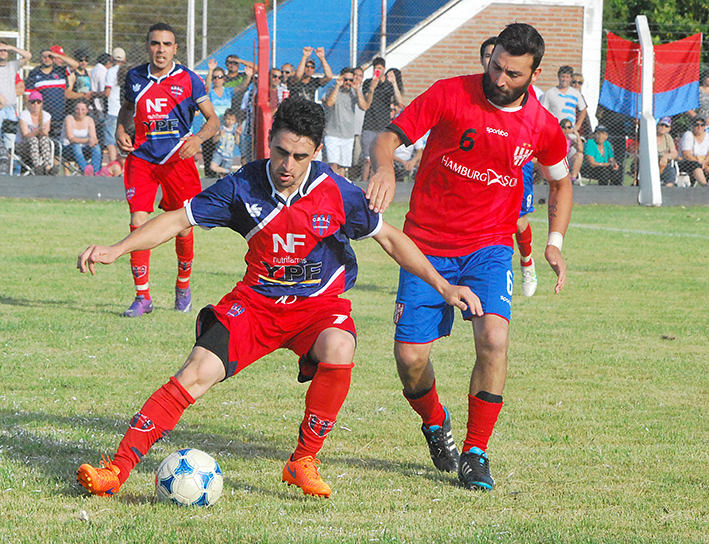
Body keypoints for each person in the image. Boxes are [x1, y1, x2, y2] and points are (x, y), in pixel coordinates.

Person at [75, 97, 479, 500]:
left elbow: (390, 238)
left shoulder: (335, 191)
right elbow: (179, 219)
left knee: (340, 344)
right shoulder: (241, 186)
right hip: (256, 305)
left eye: (299, 156)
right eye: (281, 152)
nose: (287, 165)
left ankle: (303, 460)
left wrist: (443, 286)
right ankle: (116, 469)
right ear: (269, 141)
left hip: (318, 308)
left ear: (316, 152)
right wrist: (118, 248)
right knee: (195, 372)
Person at [367, 22, 572, 491]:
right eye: (495, 65)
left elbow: (560, 181)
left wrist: (554, 242)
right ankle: (436, 423)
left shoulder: (541, 125)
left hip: (489, 247)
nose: (499, 79)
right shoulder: (449, 94)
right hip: (425, 246)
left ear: (533, 74)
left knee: (494, 339)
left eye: (512, 74)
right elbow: (387, 139)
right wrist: (383, 169)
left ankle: (476, 452)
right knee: (411, 358)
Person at [115, 22, 219, 317]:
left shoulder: (189, 79)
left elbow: (213, 121)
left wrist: (197, 139)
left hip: (178, 160)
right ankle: (142, 296)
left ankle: (183, 287)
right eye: (155, 43)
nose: (160, 49)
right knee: (138, 221)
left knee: (184, 225)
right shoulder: (134, 77)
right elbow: (126, 108)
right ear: (148, 46)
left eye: (166, 44)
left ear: (176, 48)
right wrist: (119, 129)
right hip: (142, 158)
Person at [480, 36, 538, 297]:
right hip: (478, 165)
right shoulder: (471, 92)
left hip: (516, 164)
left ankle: (526, 262)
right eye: (489, 58)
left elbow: (535, 125)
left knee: (517, 219)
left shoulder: (520, 91)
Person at [361, 57, 404, 181]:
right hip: (369, 124)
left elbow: (400, 102)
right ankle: (363, 184)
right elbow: (366, 103)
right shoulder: (368, 83)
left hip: (383, 125)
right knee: (367, 160)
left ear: (384, 69)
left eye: (379, 68)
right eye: (375, 68)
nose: (377, 70)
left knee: (379, 159)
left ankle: (375, 183)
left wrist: (394, 83)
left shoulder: (388, 85)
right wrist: (372, 88)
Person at [25, 46, 79, 141]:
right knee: (43, 140)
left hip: (60, 114)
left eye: (49, 57)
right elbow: (27, 96)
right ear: (40, 58)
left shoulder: (60, 71)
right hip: (42, 116)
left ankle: (58, 155)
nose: (47, 59)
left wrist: (56, 55)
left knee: (59, 142)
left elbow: (75, 65)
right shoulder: (34, 73)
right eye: (44, 57)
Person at [322, 67, 368, 176]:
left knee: (343, 166)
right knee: (333, 164)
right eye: (345, 79)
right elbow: (329, 103)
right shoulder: (332, 89)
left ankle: (341, 188)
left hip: (348, 134)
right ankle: (332, 186)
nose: (348, 82)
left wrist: (357, 90)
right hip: (332, 132)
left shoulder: (354, 92)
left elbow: (364, 106)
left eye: (350, 80)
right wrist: (338, 86)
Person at [0, 41, 32, 167]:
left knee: (10, 142)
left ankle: (11, 171)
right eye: (0, 50)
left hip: (10, 110)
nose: (2, 52)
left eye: (4, 50)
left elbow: (28, 56)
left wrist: (11, 47)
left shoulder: (12, 66)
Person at [540, 65, 587, 133]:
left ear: (571, 79)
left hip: (569, 131)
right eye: (563, 76)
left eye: (567, 77)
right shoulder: (549, 93)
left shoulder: (575, 93)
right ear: (559, 77)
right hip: (553, 130)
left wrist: (578, 125)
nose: (564, 79)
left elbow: (583, 109)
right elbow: (542, 111)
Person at [16, 90, 53, 174]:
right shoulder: (24, 115)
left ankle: (48, 167)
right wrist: (38, 130)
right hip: (23, 145)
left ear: (41, 103)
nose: (35, 104)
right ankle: (37, 166)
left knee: (44, 139)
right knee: (33, 139)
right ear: (28, 103)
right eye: (33, 102)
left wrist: (40, 132)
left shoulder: (46, 116)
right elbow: (26, 135)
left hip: (39, 145)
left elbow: (46, 133)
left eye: (38, 102)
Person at [62, 99, 102, 175]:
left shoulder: (89, 120)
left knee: (96, 147)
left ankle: (96, 172)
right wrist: (88, 140)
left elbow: (93, 137)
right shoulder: (69, 118)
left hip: (85, 148)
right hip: (68, 149)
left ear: (87, 110)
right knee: (76, 146)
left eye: (83, 109)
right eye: (77, 109)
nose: (80, 112)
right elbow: (71, 139)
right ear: (74, 109)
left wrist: (93, 141)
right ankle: (86, 170)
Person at [104, 47, 127, 163]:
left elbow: (107, 92)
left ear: (112, 58)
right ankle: (123, 167)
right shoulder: (128, 71)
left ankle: (113, 164)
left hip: (113, 110)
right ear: (125, 59)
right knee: (124, 139)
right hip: (126, 110)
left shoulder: (111, 71)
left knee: (111, 140)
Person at [678, 116, 709, 186]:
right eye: (697, 125)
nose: (699, 127)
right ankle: (705, 186)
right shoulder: (688, 135)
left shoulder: (707, 136)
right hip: (687, 162)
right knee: (695, 165)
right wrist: (700, 163)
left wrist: (705, 163)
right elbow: (687, 155)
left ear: (705, 127)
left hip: (703, 161)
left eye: (702, 125)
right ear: (692, 126)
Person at [209, 108, 240, 175]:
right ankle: (228, 171)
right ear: (224, 118)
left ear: (235, 121)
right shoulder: (221, 128)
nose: (230, 121)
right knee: (213, 167)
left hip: (228, 155)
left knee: (224, 176)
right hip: (219, 153)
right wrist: (219, 134)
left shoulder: (234, 131)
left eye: (232, 120)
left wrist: (237, 135)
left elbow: (237, 143)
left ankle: (226, 172)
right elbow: (214, 140)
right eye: (228, 119)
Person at [65, 49, 93, 116]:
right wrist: (82, 95)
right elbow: (67, 94)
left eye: (86, 60)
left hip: (85, 107)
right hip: (73, 107)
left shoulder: (88, 73)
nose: (84, 62)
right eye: (81, 60)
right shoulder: (72, 75)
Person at [560, 119, 584, 184]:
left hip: (566, 161)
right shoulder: (556, 138)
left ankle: (573, 178)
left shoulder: (570, 139)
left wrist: (577, 135)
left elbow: (581, 149)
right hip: (558, 163)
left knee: (580, 155)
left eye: (569, 127)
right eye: (564, 127)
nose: (566, 130)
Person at [656, 116, 678, 187]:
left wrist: (666, 156)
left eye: (666, 126)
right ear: (657, 125)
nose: (663, 127)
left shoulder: (668, 138)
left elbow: (674, 153)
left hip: (664, 164)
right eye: (661, 125)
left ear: (669, 129)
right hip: (650, 163)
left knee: (670, 171)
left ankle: (668, 191)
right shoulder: (650, 136)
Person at [570, 73, 593, 138]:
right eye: (574, 82)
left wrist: (589, 132)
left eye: (579, 83)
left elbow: (584, 114)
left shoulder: (580, 96)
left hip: (578, 129)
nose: (576, 85)